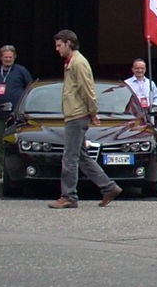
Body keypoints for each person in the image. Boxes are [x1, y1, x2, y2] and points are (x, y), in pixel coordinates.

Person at [47, 30, 123, 208]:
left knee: (70, 157)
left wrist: (93, 112)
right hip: (76, 113)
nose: (57, 49)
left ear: (69, 43)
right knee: (81, 156)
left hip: (76, 115)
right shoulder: (72, 62)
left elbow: (87, 90)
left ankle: (69, 197)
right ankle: (109, 187)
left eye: (59, 45)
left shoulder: (78, 63)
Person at [0, 44, 33, 179]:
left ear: (15, 57)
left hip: (16, 115)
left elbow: (29, 89)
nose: (8, 59)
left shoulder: (21, 71)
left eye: (10, 57)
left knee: (16, 141)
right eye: (5, 57)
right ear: (0, 58)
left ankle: (16, 169)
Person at [123, 57, 157, 126]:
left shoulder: (151, 83)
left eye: (142, 68)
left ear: (145, 69)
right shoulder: (126, 83)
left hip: (148, 115)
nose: (140, 70)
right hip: (132, 115)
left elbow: (156, 97)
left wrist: (153, 108)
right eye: (137, 68)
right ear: (133, 69)